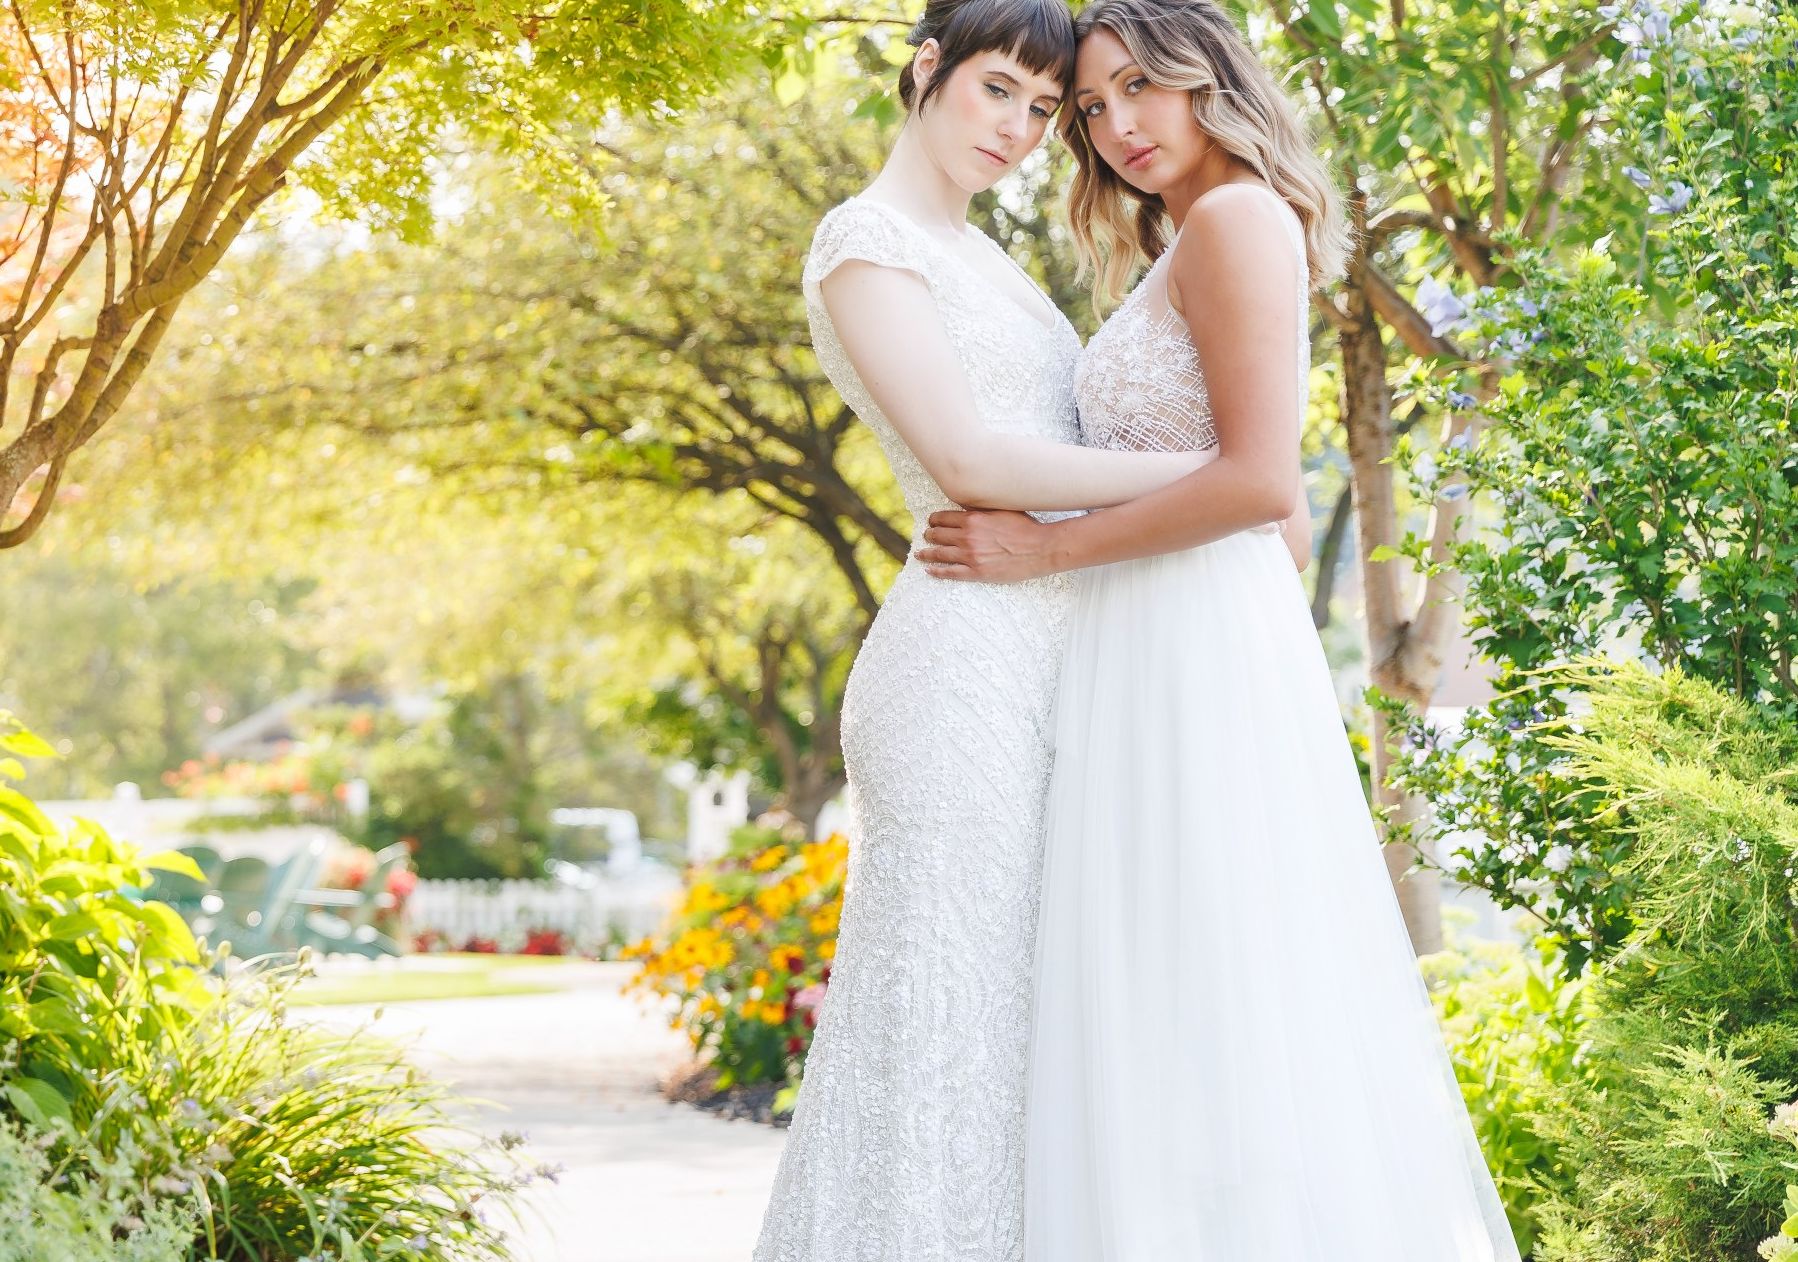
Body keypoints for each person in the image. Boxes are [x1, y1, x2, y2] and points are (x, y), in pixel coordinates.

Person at [916, 2, 1524, 1258]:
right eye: (1087, 110)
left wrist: (1043, 548)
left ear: (1208, 78)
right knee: (1164, 989)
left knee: (1197, 983)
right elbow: (1281, 529)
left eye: (1137, 87)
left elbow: (1260, 483)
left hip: (1178, 632)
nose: (1114, 124)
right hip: (1170, 636)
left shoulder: (1238, 218)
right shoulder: (1190, 235)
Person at [750, 1, 1234, 1256]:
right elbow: (968, 457)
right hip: (959, 657)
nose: (1021, 130)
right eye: (996, 93)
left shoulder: (990, 259)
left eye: (1042, 109)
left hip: (1049, 649)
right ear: (926, 72)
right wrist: (1221, 472)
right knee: (941, 1016)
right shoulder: (866, 245)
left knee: (1027, 1023)